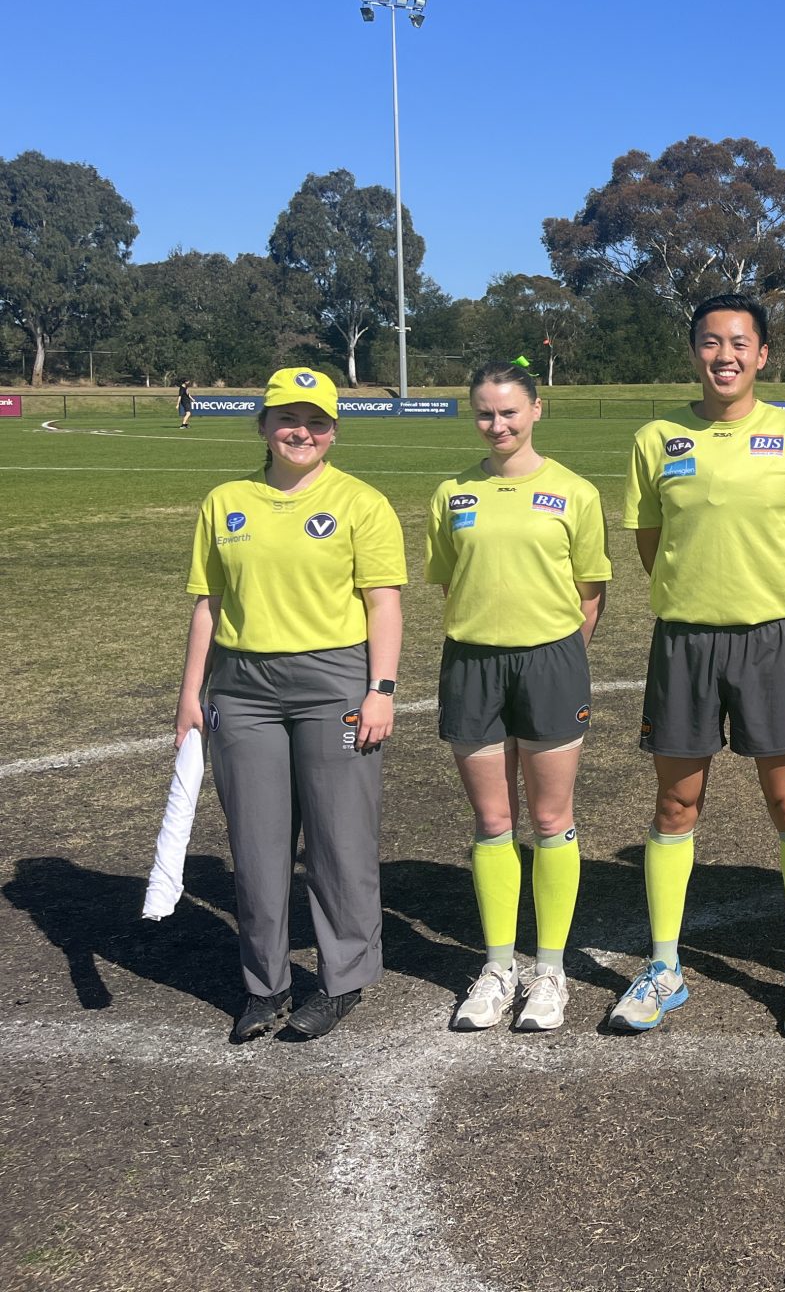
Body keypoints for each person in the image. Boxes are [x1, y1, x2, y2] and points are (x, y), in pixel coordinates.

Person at [613, 294, 785, 1037]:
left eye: (739, 342)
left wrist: (764, 592)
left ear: (764, 353)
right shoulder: (657, 438)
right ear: (694, 352)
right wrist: (699, 591)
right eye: (711, 343)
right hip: (684, 641)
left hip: (774, 640)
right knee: (676, 806)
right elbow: (652, 545)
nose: (725, 356)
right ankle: (665, 965)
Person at [174, 367, 406, 1043]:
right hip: (242, 689)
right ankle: (265, 985)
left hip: (334, 680)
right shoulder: (225, 502)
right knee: (257, 841)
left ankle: (343, 980)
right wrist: (192, 692)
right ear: (262, 424)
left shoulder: (362, 503)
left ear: (334, 430)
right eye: (286, 418)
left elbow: (383, 602)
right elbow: (208, 604)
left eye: (316, 421)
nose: (300, 431)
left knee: (340, 841)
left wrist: (381, 689)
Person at [428, 360, 611, 1033]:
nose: (496, 423)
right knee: (492, 823)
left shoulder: (575, 491)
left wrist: (552, 652)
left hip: (552, 662)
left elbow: (591, 594)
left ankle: (552, 970)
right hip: (471, 662)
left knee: (551, 817)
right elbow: (451, 582)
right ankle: (499, 966)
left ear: (537, 409)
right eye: (484, 412)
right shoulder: (452, 493)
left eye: (509, 411)